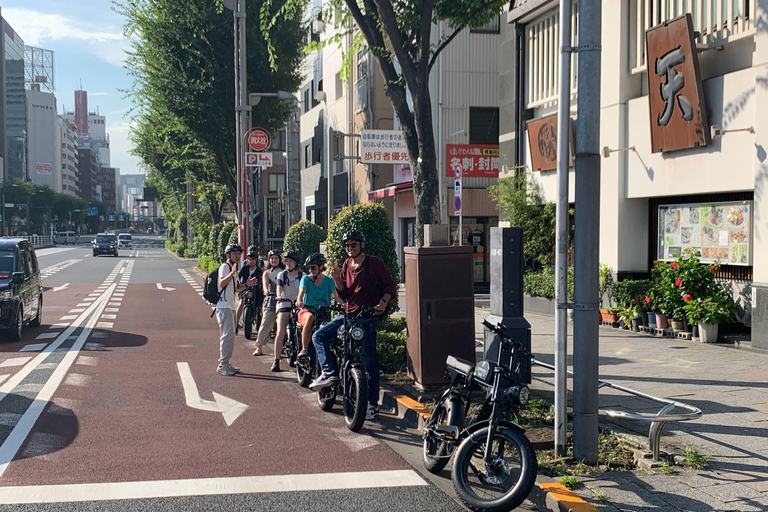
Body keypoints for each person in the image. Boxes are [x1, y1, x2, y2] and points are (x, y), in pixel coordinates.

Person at [309, 230, 397, 420]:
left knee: (370, 362)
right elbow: (345, 294)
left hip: (368, 317)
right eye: (347, 245)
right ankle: (329, 372)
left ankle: (372, 404)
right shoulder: (347, 264)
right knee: (319, 335)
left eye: (353, 245)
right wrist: (337, 280)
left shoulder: (374, 263)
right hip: (349, 315)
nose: (350, 248)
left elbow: (390, 286)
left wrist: (382, 303)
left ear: (362, 245)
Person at [296, 253, 339, 360]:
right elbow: (301, 292)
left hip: (324, 312)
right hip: (307, 310)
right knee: (310, 318)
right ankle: (304, 350)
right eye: (308, 268)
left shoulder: (329, 280)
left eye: (313, 267)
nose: (310, 270)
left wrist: (342, 305)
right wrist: (299, 301)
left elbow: (337, 296)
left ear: (321, 267)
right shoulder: (306, 279)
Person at [271, 251, 303, 372]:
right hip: (284, 303)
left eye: (291, 261)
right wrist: (279, 295)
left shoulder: (302, 275)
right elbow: (279, 287)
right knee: (280, 331)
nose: (288, 264)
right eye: (287, 261)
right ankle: (276, 360)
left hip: (298, 305)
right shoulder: (282, 275)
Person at [216, 243, 243, 376]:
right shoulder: (225, 267)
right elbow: (221, 283)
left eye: (238, 254)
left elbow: (236, 288)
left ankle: (226, 363)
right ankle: (223, 364)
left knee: (230, 336)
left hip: (231, 305)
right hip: (224, 306)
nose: (237, 256)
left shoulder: (233, 269)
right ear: (228, 255)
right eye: (234, 254)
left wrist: (247, 285)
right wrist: (231, 273)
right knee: (227, 336)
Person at [253, 250, 283, 356]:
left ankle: (282, 347)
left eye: (276, 258)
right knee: (265, 323)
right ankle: (259, 346)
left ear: (280, 259)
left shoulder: (284, 272)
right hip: (270, 300)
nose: (274, 260)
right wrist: (266, 291)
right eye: (272, 258)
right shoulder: (267, 273)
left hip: (283, 301)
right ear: (269, 260)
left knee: (282, 325)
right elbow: (265, 286)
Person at [236, 246, 263, 332]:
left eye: (254, 259)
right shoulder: (244, 268)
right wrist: (238, 284)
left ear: (256, 260)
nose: (252, 261)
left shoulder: (259, 270)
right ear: (247, 259)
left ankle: (263, 325)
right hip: (245, 289)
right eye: (250, 259)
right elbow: (238, 277)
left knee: (261, 306)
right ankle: (235, 323)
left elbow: (262, 280)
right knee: (241, 303)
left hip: (256, 290)